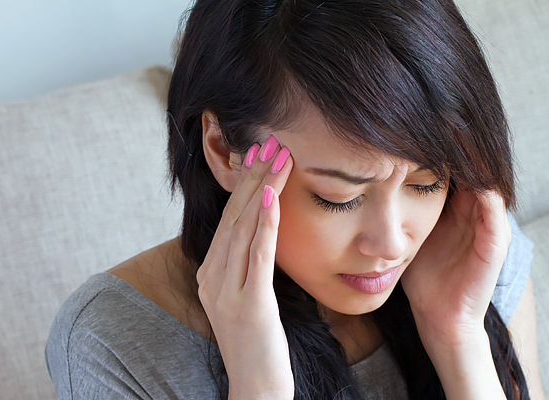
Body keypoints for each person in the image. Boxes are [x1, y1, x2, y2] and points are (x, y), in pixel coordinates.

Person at [45, 0, 545, 399]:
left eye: (426, 184)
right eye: (338, 197)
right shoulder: (116, 341)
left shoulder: (473, 257)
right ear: (223, 151)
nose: (391, 242)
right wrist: (259, 389)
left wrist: (458, 340)